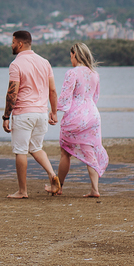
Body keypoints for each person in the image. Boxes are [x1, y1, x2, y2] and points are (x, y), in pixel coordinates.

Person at [2, 30, 60, 199]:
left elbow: (12, 93)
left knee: (20, 151)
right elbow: (53, 90)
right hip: (41, 113)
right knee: (36, 148)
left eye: (13, 42)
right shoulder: (44, 62)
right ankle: (52, 175)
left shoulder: (16, 64)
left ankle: (22, 191)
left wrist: (6, 116)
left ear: (20, 44)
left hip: (24, 114)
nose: (11, 45)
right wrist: (54, 112)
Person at [53, 42, 109, 197]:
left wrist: (54, 111)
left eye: (71, 56)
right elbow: (94, 97)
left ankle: (60, 187)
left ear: (75, 55)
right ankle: (95, 190)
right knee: (90, 152)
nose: (70, 59)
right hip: (92, 115)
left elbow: (65, 97)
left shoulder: (72, 73)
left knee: (65, 153)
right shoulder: (95, 74)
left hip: (75, 115)